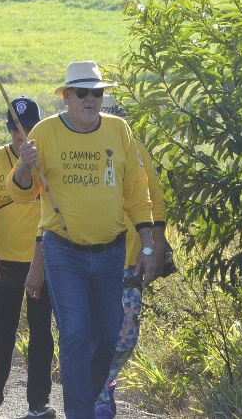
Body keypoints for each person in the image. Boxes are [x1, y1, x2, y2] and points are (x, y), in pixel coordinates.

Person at [11, 61, 158, 419]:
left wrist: (150, 245)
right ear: (67, 97)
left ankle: (87, 401)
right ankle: (80, 413)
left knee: (108, 336)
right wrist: (24, 166)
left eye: (97, 92)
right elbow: (20, 194)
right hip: (64, 251)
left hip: (111, 251)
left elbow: (137, 195)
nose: (91, 99)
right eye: (82, 92)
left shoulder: (119, 130)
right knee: (75, 333)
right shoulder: (44, 133)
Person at [0, 97, 55, 419]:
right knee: (4, 328)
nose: (23, 137)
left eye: (29, 129)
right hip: (3, 262)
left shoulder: (50, 160)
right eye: (16, 131)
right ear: (8, 131)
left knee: (41, 331)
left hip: (43, 260)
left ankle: (37, 403)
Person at [93, 95, 168, 419]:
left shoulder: (136, 149)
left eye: (115, 118)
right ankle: (92, 393)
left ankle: (106, 380)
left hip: (129, 257)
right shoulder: (79, 148)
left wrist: (156, 244)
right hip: (86, 256)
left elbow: (155, 198)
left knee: (125, 335)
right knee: (89, 331)